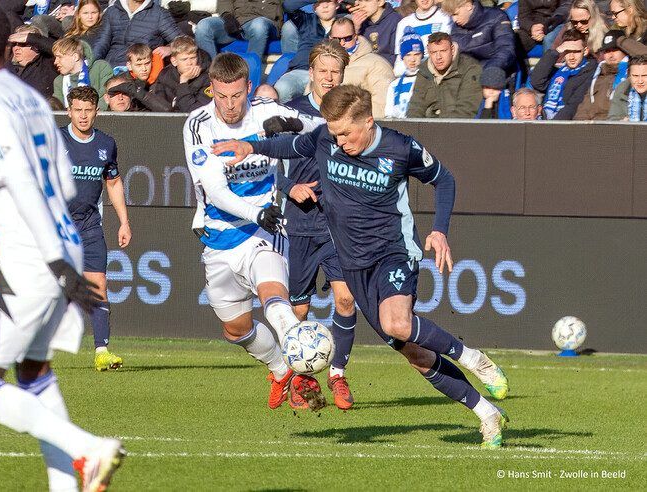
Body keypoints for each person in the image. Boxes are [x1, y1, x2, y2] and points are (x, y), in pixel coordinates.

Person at [214, 84, 511, 447]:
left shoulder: (399, 147)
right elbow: (291, 146)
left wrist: (439, 230)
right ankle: (487, 413)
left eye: (345, 133)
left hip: (392, 253)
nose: (338, 141)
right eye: (334, 133)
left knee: (398, 323)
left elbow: (443, 180)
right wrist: (250, 147)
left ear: (368, 121)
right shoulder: (325, 137)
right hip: (353, 265)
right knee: (416, 355)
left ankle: (473, 357)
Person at [0, 4, 124, 491]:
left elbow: (21, 181)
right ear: (7, 47)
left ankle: (87, 449)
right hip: (60, 245)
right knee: (34, 373)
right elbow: (58, 184)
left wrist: (46, 258)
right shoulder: (32, 99)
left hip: (30, 258)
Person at [182, 53, 328, 411]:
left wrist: (296, 128)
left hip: (265, 230)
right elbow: (216, 191)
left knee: (273, 293)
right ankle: (281, 369)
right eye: (221, 96)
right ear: (211, 91)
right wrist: (255, 211)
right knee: (236, 330)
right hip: (219, 234)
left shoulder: (265, 111)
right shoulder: (198, 125)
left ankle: (302, 351)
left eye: (236, 95)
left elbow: (323, 128)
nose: (229, 105)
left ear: (248, 88)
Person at [278, 40, 363, 409]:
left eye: (336, 72)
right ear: (310, 72)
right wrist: (289, 187)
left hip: (335, 226)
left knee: (346, 298)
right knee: (298, 311)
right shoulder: (289, 113)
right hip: (298, 226)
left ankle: (338, 375)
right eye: (323, 71)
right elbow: (266, 167)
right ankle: (301, 381)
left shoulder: (352, 113)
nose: (329, 77)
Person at [60, 86, 130, 371]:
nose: (84, 116)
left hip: (89, 226)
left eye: (88, 110)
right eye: (78, 110)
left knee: (98, 284)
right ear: (69, 111)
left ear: (96, 111)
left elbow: (112, 182)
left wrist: (124, 221)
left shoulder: (106, 143)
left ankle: (102, 351)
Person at [275, 0, 339, 103]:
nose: (325, 6)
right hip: (301, 70)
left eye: (329, 2)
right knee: (282, 88)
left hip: (328, 74)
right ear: (314, 8)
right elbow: (287, 5)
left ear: (337, 5)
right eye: (320, 3)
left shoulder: (343, 24)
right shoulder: (307, 20)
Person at [406, 31, 482, 118]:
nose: (438, 57)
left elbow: (466, 109)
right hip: (426, 128)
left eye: (443, 51)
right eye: (433, 52)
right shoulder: (424, 72)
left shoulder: (470, 69)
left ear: (452, 49)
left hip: (457, 128)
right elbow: (415, 107)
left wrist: (442, 129)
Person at [329, 17, 393, 118]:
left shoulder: (376, 64)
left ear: (355, 37)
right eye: (337, 39)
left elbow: (380, 106)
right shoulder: (322, 63)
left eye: (347, 38)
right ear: (330, 39)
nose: (342, 43)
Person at [93, 0, 181, 69]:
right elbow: (101, 43)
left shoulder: (159, 14)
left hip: (141, 69)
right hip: (112, 67)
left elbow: (183, 42)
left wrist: (170, 48)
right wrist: (90, 64)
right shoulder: (112, 11)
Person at [531, 28, 597, 119]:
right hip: (545, 119)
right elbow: (537, 81)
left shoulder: (590, 71)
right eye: (567, 51)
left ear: (585, 51)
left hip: (565, 124)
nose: (571, 57)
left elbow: (574, 104)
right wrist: (556, 52)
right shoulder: (560, 71)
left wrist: (552, 125)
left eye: (576, 51)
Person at [442, 0, 516, 75]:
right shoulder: (456, 28)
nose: (454, 20)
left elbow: (505, 50)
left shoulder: (497, 17)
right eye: (451, 16)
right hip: (468, 75)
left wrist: (489, 71)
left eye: (456, 14)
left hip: (496, 72)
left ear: (468, 6)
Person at [194, 0, 284, 60]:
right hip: (237, 21)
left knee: (259, 25)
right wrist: (227, 16)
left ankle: (249, 78)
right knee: (204, 26)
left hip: (265, 21)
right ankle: (211, 77)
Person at [147, 35, 212, 112]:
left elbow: (196, 112)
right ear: (174, 61)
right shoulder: (165, 75)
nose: (189, 63)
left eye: (193, 58)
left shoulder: (207, 77)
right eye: (184, 59)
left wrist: (183, 83)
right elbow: (160, 108)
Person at [574, 29, 629, 120]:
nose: (611, 55)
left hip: (614, 126)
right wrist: (579, 125)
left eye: (614, 50)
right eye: (607, 51)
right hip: (592, 127)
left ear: (625, 50)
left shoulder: (632, 74)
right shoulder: (598, 74)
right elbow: (585, 107)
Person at [393, 0, 452, 76]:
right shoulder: (403, 23)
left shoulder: (445, 18)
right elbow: (398, 65)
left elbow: (446, 54)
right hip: (410, 77)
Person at [52, 36, 112, 110]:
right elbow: (58, 109)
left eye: (59, 57)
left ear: (75, 57)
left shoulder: (100, 68)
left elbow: (106, 98)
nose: (55, 62)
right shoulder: (59, 81)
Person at [7, 24, 57, 98]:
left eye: (22, 44)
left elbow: (58, 49)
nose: (16, 48)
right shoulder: (7, 69)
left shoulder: (48, 62)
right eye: (14, 44)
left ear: (36, 46)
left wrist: (30, 38)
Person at [386, 28, 424, 118]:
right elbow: (388, 114)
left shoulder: (427, 80)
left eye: (416, 54)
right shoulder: (394, 85)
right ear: (402, 57)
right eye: (408, 55)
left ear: (422, 55)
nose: (412, 59)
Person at [350, 0, 402, 64]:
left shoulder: (395, 20)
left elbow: (396, 55)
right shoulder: (360, 23)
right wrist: (355, 29)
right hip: (365, 67)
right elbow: (353, 53)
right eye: (360, 0)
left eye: (367, 1)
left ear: (380, 2)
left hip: (387, 68)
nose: (362, 5)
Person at [608, 54, 647, 120]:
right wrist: (622, 122)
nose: (640, 81)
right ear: (629, 76)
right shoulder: (622, 89)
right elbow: (612, 119)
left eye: (644, 75)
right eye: (635, 76)